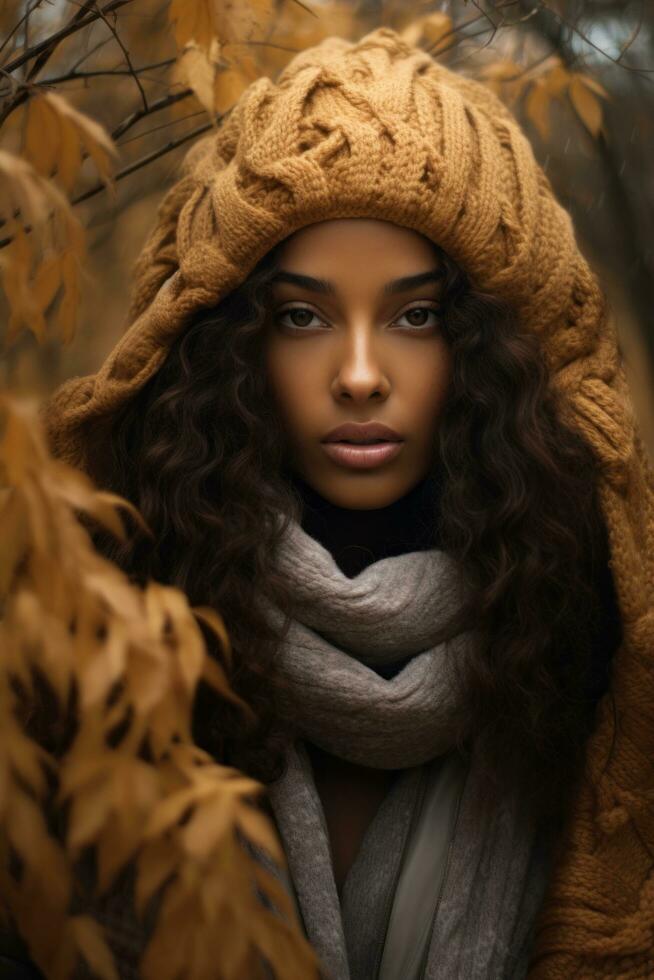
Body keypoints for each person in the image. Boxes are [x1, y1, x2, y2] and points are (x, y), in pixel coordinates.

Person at [8, 24, 654, 980]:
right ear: (225, 344)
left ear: (495, 349)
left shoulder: (599, 670)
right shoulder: (88, 658)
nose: (358, 375)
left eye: (417, 315)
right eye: (302, 317)